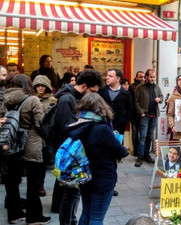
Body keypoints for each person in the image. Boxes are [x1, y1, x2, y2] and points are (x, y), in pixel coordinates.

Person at [51, 69, 103, 225]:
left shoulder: (76, 98)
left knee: (75, 193)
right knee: (70, 194)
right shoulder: (67, 99)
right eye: (92, 91)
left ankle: (72, 220)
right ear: (84, 86)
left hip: (76, 153)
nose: (93, 95)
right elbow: (68, 128)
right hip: (69, 154)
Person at [67, 93, 128, 225]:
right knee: (97, 218)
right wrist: (124, 151)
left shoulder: (77, 124)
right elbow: (119, 151)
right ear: (102, 108)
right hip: (103, 177)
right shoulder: (102, 129)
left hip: (84, 175)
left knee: (86, 213)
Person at [1, 74, 51, 224]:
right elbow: (39, 124)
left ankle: (14, 214)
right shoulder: (33, 99)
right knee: (33, 183)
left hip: (11, 145)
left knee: (12, 181)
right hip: (31, 145)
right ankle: (34, 217)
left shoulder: (6, 99)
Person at [32, 75, 57, 197]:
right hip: (34, 135)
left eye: (43, 86)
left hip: (47, 136)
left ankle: (40, 184)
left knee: (43, 163)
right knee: (34, 164)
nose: (40, 88)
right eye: (38, 86)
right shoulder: (31, 99)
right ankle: (35, 185)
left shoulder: (53, 101)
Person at [134, 69, 163, 167]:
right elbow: (136, 101)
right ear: (146, 77)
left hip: (154, 115)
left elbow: (161, 96)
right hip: (145, 115)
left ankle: (147, 155)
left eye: (154, 77)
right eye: (151, 77)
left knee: (150, 136)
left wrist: (160, 99)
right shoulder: (140, 87)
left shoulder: (156, 87)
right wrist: (141, 112)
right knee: (143, 136)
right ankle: (140, 157)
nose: (152, 79)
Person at [98, 68, 133, 136]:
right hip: (103, 124)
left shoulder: (126, 94)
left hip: (119, 127)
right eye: (107, 75)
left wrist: (123, 120)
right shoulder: (102, 91)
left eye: (110, 76)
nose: (107, 78)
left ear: (118, 79)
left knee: (117, 144)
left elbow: (130, 109)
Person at [128, 71, 145, 157]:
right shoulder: (132, 86)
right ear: (136, 77)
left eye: (143, 77)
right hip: (134, 114)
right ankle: (136, 150)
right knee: (135, 134)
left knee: (143, 134)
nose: (142, 79)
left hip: (143, 114)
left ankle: (141, 151)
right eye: (140, 77)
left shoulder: (146, 86)